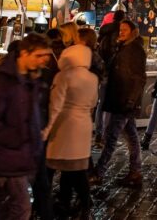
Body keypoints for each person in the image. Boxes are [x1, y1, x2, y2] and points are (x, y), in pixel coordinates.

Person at [0, 33, 52, 220]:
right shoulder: (6, 82)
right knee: (21, 208)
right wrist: (18, 139)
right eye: (38, 56)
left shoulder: (31, 79)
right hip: (10, 157)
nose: (42, 61)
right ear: (24, 53)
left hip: (22, 156)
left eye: (45, 56)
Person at [43, 36, 98, 219]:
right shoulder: (92, 78)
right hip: (83, 127)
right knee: (76, 169)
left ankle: (46, 204)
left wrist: (47, 129)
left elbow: (55, 105)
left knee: (50, 167)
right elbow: (92, 103)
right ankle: (78, 203)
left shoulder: (63, 76)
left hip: (64, 127)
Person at [90, 19, 147, 188]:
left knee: (111, 137)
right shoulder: (123, 47)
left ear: (133, 32)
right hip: (121, 98)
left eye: (125, 30)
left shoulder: (134, 50)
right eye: (120, 29)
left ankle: (99, 173)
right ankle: (135, 172)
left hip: (123, 100)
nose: (121, 32)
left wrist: (130, 100)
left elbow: (138, 78)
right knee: (131, 136)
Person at [93, 10, 125, 144]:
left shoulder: (103, 33)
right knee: (110, 105)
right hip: (111, 73)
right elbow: (114, 55)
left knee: (101, 104)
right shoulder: (116, 35)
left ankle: (99, 134)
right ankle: (106, 135)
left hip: (102, 73)